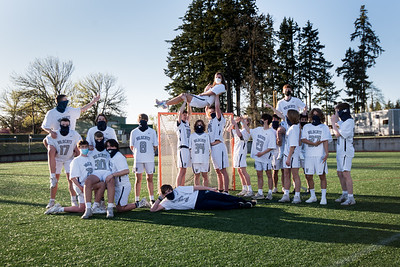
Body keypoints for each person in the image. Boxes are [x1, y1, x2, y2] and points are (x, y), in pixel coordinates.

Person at [82, 139, 150, 219]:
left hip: (122, 185)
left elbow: (126, 171)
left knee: (120, 208)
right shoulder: (111, 156)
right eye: (108, 146)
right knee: (118, 206)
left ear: (116, 146)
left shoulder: (119, 156)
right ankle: (93, 207)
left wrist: (112, 175)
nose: (109, 148)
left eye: (112, 146)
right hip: (117, 185)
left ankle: (141, 203)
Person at [45, 140, 99, 215]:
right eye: (82, 147)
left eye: (86, 147)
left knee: (101, 185)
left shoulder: (91, 158)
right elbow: (72, 178)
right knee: (81, 209)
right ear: (79, 148)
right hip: (80, 185)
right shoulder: (76, 161)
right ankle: (58, 209)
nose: (84, 149)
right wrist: (80, 187)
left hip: (89, 185)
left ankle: (97, 206)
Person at [45, 118, 81, 209]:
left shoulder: (74, 134)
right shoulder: (54, 134)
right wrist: (51, 149)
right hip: (57, 159)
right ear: (60, 125)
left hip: (69, 158)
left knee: (71, 180)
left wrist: (77, 152)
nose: (65, 126)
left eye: (66, 125)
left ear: (69, 125)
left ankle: (73, 200)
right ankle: (51, 201)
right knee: (54, 180)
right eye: (63, 125)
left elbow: (80, 144)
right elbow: (45, 141)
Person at [301, 108, 332, 205]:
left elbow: (326, 140)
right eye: (313, 115)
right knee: (309, 176)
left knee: (321, 175)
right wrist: (313, 143)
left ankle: (323, 197)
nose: (315, 117)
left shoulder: (324, 127)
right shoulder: (306, 127)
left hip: (320, 155)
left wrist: (326, 153)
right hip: (309, 155)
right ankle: (313, 196)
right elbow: (303, 139)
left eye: (317, 115)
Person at [150, 184, 256, 212]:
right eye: (167, 192)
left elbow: (196, 187)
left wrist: (209, 189)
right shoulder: (166, 203)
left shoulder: (179, 189)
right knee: (219, 205)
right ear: (164, 194)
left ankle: (245, 201)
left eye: (170, 190)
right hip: (197, 205)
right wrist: (159, 199)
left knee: (223, 197)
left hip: (200, 194)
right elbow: (153, 210)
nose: (169, 192)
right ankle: (241, 205)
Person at [129, 114, 158, 204]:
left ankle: (152, 199)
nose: (143, 120)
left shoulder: (152, 131)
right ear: (138, 120)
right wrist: (137, 153)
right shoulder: (134, 132)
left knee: (150, 178)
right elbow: (131, 146)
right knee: (138, 179)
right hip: (138, 159)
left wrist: (149, 152)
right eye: (141, 119)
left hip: (149, 159)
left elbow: (155, 145)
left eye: (145, 119)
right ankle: (136, 199)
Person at [156, 72, 226, 109]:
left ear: (222, 78)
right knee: (182, 96)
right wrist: (206, 89)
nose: (217, 78)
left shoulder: (221, 86)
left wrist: (203, 94)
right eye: (216, 77)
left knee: (184, 95)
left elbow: (211, 92)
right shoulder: (213, 86)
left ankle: (165, 103)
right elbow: (207, 92)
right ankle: (165, 103)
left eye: (219, 77)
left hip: (203, 101)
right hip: (201, 100)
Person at [331, 103, 356, 205]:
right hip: (340, 151)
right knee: (340, 173)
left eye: (337, 111)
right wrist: (335, 122)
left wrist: (333, 123)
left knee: (346, 173)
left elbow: (337, 134)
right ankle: (345, 194)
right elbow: (337, 126)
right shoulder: (343, 122)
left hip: (346, 151)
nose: (336, 113)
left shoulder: (349, 122)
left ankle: (351, 198)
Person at [249, 113, 277, 200]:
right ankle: (260, 192)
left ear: (266, 120)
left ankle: (269, 192)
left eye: (262, 119)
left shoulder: (271, 132)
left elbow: (271, 147)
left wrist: (262, 153)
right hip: (258, 157)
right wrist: (241, 122)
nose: (261, 120)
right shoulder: (258, 129)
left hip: (266, 158)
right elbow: (248, 131)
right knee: (259, 174)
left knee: (269, 174)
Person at [206, 96, 229, 194]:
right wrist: (207, 93)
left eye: (213, 112)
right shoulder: (210, 121)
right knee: (218, 171)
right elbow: (206, 109)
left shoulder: (219, 119)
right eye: (211, 112)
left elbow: (217, 107)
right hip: (212, 148)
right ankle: (220, 190)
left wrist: (216, 95)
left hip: (219, 146)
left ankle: (226, 191)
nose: (212, 113)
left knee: (223, 170)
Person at [279, 109, 302, 204]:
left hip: (292, 155)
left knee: (295, 175)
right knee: (286, 174)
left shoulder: (294, 129)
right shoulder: (293, 127)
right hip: (288, 154)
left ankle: (297, 196)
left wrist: (288, 157)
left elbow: (293, 145)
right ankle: (286, 194)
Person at [229, 116, 253, 197]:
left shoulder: (246, 131)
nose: (242, 121)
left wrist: (235, 124)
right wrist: (234, 122)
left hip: (241, 152)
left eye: (244, 120)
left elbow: (239, 135)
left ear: (247, 122)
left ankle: (250, 190)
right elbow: (228, 130)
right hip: (236, 152)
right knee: (239, 171)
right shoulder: (238, 129)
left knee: (243, 170)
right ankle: (244, 188)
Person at [175, 98, 192, 186]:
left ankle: (182, 188)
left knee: (184, 170)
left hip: (188, 149)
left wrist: (189, 103)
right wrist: (185, 102)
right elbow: (180, 112)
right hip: (182, 148)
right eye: (183, 115)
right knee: (181, 170)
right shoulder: (179, 124)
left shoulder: (187, 124)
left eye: (186, 115)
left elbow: (190, 113)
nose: (185, 116)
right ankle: (178, 189)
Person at [189, 120, 211, 186]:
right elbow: (190, 148)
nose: (199, 126)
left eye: (201, 124)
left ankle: (205, 191)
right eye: (198, 124)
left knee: (205, 175)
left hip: (204, 159)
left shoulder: (206, 135)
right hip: (195, 159)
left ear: (203, 126)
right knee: (196, 176)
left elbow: (209, 148)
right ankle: (198, 191)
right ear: (195, 126)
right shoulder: (192, 136)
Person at [271, 114, 286, 193]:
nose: (274, 121)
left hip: (282, 151)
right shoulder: (270, 130)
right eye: (273, 119)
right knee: (275, 171)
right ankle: (275, 187)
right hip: (274, 153)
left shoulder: (282, 128)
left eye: (276, 119)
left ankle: (283, 187)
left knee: (283, 170)